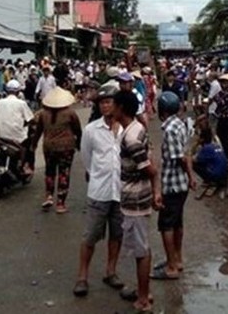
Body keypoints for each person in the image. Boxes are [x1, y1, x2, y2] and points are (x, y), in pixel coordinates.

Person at [73, 84, 125, 297]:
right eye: (102, 102)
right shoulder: (91, 130)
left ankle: (110, 271)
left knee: (117, 234)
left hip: (121, 191)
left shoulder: (125, 128)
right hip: (99, 190)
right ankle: (82, 277)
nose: (105, 106)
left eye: (109, 102)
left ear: (117, 104)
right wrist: (96, 173)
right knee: (90, 236)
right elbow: (86, 158)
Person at [112, 90, 162, 312]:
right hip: (137, 196)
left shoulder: (131, 137)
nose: (110, 108)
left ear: (121, 108)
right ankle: (144, 292)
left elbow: (149, 168)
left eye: (113, 104)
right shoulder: (136, 128)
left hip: (135, 199)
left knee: (141, 251)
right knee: (142, 248)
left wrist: (156, 187)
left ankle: (143, 299)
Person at [150, 92, 195, 281]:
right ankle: (176, 259)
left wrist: (190, 175)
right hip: (180, 184)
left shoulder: (170, 130)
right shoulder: (179, 124)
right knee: (177, 222)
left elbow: (181, 158)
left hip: (173, 183)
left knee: (166, 225)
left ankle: (171, 266)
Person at [33, 87, 82, 213]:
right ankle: (60, 203)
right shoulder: (70, 113)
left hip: (49, 147)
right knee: (64, 173)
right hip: (66, 147)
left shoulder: (43, 114)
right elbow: (78, 130)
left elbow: (38, 131)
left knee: (50, 172)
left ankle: (49, 196)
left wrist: (33, 145)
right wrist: (79, 144)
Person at [0, 80, 35, 174]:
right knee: (30, 145)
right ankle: (26, 166)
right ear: (18, 92)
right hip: (16, 137)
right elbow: (30, 119)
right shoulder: (21, 103)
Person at [192, 126, 228, 198]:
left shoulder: (206, 148)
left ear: (202, 139)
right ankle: (214, 179)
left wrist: (196, 144)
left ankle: (210, 180)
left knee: (193, 164)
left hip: (216, 175)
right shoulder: (216, 145)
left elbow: (193, 159)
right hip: (224, 173)